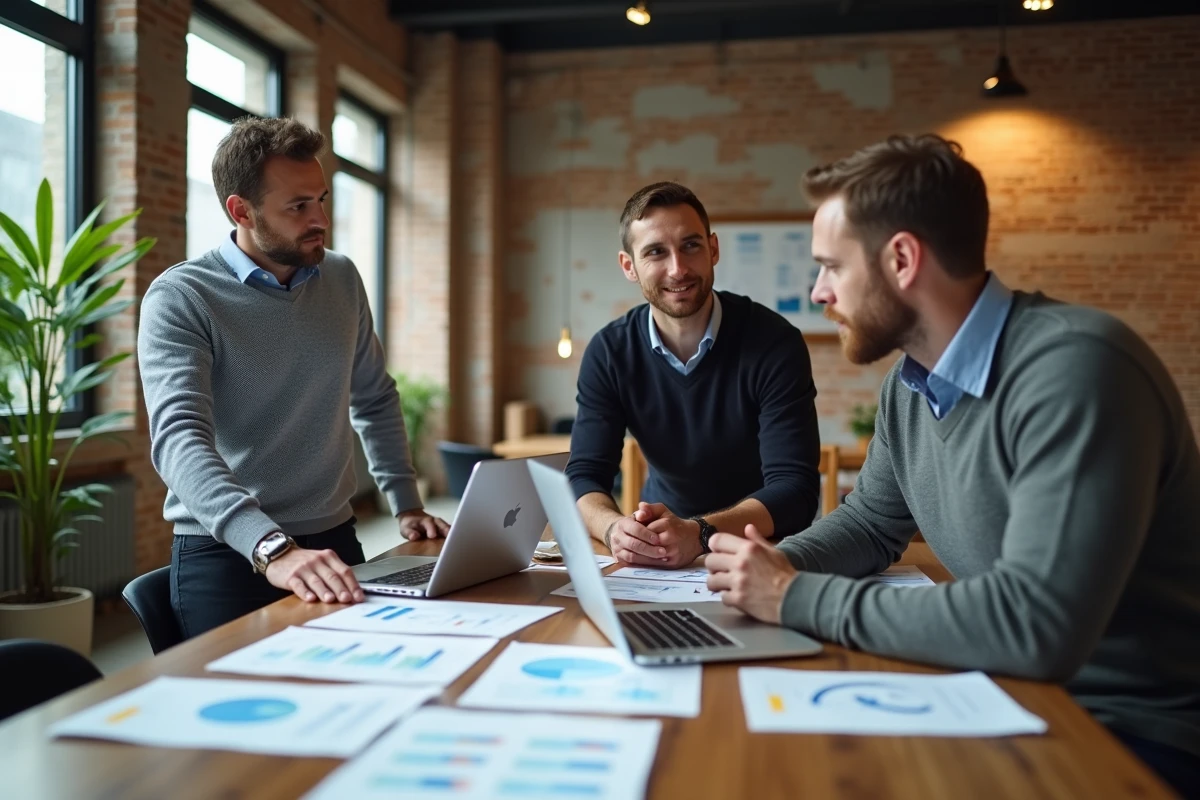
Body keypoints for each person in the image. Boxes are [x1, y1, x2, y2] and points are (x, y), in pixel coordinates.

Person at [704, 133, 1200, 795]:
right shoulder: (910, 385)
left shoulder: (1078, 370)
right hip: (1006, 695)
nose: (818, 290)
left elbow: (1032, 625)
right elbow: (872, 525)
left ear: (902, 259)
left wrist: (793, 597)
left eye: (831, 266)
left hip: (1129, 734)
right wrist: (767, 565)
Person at [138, 117, 448, 639]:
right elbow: (179, 441)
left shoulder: (342, 278)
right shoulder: (182, 298)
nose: (320, 219)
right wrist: (271, 548)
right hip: (229, 553)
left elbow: (373, 397)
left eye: (322, 199)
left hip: (334, 540)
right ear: (241, 210)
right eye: (298, 206)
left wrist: (406, 502)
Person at [566, 181, 821, 569]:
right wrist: (614, 529)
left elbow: (796, 491)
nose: (678, 268)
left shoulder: (774, 343)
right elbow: (584, 474)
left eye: (691, 245)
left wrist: (700, 532)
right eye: (655, 252)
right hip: (659, 548)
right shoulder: (609, 351)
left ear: (713, 249)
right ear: (629, 266)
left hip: (759, 548)